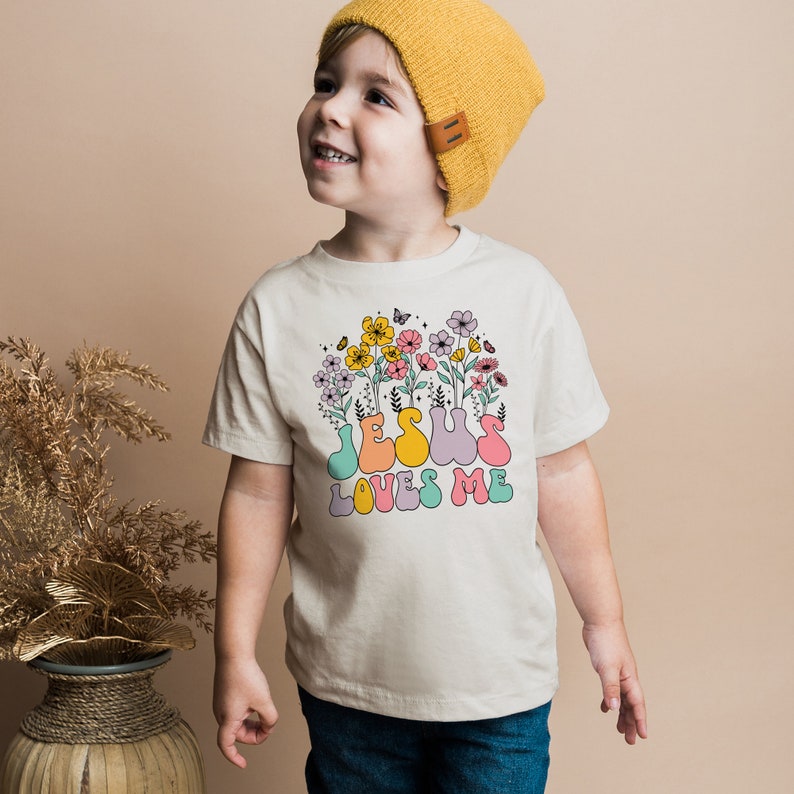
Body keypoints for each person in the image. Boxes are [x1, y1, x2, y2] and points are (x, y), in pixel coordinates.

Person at [203, 0, 647, 790]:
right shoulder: (278, 308)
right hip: (348, 688)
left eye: (376, 96)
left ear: (450, 144)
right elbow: (258, 497)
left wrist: (604, 621)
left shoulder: (522, 293)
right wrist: (235, 652)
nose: (330, 109)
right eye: (325, 82)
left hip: (497, 688)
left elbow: (563, 471)